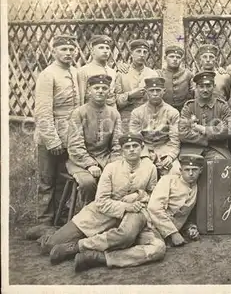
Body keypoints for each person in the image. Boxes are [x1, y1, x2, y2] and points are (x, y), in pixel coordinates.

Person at [40, 133, 158, 269]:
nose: (132, 149)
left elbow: (152, 193)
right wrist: (125, 206)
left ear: (142, 147)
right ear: (122, 151)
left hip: (135, 211)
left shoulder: (150, 168)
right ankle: (46, 232)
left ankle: (79, 248)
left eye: (135, 146)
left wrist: (138, 194)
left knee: (127, 236)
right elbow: (101, 202)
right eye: (127, 147)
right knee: (51, 245)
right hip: (104, 211)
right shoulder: (111, 168)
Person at [26, 35, 81, 240]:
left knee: (62, 179)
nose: (68, 53)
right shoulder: (48, 75)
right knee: (47, 179)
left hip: (71, 133)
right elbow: (43, 111)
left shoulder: (75, 72)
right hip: (52, 133)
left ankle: (59, 218)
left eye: (71, 49)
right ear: (54, 51)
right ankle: (44, 222)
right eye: (64, 49)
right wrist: (52, 140)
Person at [66, 74, 122, 207]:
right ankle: (87, 213)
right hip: (79, 161)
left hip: (105, 158)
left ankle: (109, 213)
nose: (101, 91)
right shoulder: (79, 113)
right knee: (88, 183)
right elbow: (75, 145)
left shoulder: (114, 113)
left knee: (119, 179)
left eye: (104, 88)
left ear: (109, 91)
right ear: (89, 90)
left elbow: (117, 144)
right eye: (96, 88)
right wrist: (89, 164)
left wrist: (113, 163)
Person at [148, 154, 205, 247]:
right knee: (157, 249)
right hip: (150, 226)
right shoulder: (168, 180)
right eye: (187, 170)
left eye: (194, 170)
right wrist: (173, 233)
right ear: (180, 170)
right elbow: (154, 208)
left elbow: (184, 215)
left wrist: (190, 228)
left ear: (200, 171)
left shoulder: (196, 188)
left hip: (166, 232)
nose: (190, 173)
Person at [129, 77, 181, 176]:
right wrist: (145, 155)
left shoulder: (172, 112)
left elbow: (175, 140)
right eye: (151, 90)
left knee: (175, 171)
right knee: (143, 172)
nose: (155, 93)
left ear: (164, 91)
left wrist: (170, 156)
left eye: (158, 90)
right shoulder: (137, 113)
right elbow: (135, 139)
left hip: (165, 150)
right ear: (146, 92)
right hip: (144, 150)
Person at [179, 71, 231, 160]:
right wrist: (209, 138)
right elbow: (183, 133)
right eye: (201, 86)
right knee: (188, 166)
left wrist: (204, 129)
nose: (205, 90)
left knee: (219, 163)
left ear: (214, 87)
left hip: (216, 149)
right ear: (196, 87)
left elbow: (229, 129)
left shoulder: (222, 106)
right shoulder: (189, 106)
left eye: (208, 86)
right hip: (191, 149)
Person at [115, 39, 159, 133]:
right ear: (131, 53)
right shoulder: (122, 73)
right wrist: (130, 95)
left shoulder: (152, 74)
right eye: (138, 51)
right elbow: (116, 100)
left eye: (145, 52)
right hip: (127, 119)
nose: (142, 55)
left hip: (147, 118)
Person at [77, 35, 117, 107]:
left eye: (107, 48)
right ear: (92, 51)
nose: (105, 51)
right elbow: (81, 99)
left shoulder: (112, 72)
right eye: (101, 48)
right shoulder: (84, 71)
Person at [156, 45, 194, 111]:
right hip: (163, 110)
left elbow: (193, 93)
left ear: (181, 59)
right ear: (165, 58)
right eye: (171, 56)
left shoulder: (188, 74)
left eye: (178, 57)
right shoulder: (158, 74)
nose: (175, 59)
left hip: (183, 110)